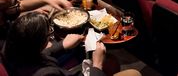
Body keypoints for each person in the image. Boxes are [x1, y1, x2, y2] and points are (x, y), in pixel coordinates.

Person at [1, 12, 142, 76]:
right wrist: (97, 64)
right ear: (38, 42)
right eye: (49, 33)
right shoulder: (47, 74)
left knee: (111, 62)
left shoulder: (10, 49)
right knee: (134, 73)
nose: (51, 36)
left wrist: (62, 45)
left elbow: (34, 56)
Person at [0, 0, 72, 48]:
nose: (19, 2)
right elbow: (18, 57)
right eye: (15, 2)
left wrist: (48, 1)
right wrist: (61, 46)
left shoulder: (5, 12)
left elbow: (21, 5)